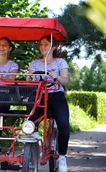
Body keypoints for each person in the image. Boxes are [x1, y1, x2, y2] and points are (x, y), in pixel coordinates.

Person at [26, 36, 70, 172]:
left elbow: (65, 81)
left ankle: (62, 157)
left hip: (56, 94)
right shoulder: (34, 63)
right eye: (41, 44)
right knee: (29, 119)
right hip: (39, 95)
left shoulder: (60, 62)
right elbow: (28, 81)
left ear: (54, 47)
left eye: (46, 44)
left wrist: (55, 76)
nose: (43, 47)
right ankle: (33, 140)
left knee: (63, 124)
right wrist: (31, 76)